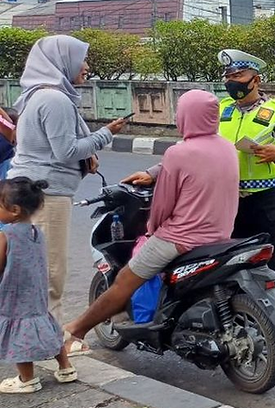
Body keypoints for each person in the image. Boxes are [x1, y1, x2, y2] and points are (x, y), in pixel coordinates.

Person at [127, 50, 275, 301]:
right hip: (223, 202)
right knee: (224, 260)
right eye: (228, 76)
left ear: (256, 80)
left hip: (265, 201)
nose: (232, 81)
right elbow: (192, 150)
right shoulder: (219, 109)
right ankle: (237, 313)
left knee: (273, 258)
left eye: (239, 75)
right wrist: (153, 173)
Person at [64, 90, 239, 347]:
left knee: (125, 279)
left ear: (186, 116)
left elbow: (162, 205)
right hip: (220, 234)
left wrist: (152, 230)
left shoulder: (178, 154)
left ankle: (76, 330)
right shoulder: (227, 147)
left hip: (180, 237)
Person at [6, 35, 128, 349]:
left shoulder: (40, 95)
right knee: (51, 270)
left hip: (34, 189)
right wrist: (105, 135)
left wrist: (85, 157)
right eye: (81, 59)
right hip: (45, 195)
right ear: (63, 61)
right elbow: (65, 150)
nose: (86, 67)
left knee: (38, 268)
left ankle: (42, 339)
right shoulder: (55, 99)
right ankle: (52, 343)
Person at [0, 177, 77, 394]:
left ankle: (27, 379)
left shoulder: (6, 235)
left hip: (15, 297)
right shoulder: (36, 232)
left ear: (14, 210)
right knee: (49, 329)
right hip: (36, 294)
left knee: (20, 337)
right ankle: (65, 368)